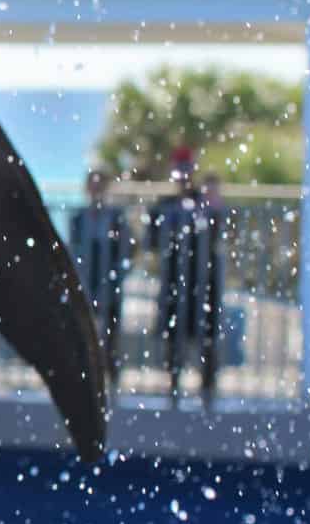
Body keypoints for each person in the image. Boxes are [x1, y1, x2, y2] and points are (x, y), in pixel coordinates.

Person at [147, 147, 224, 409]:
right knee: (173, 331)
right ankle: (173, 383)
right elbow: (153, 241)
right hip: (174, 278)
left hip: (202, 277)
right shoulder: (164, 205)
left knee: (206, 332)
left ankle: (207, 385)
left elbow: (217, 231)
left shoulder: (203, 202)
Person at [67, 169, 135, 386]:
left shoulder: (116, 217)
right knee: (82, 332)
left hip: (108, 278)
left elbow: (126, 249)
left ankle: (111, 376)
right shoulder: (78, 217)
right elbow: (75, 250)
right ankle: (83, 377)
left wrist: (117, 277)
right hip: (87, 278)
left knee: (111, 333)